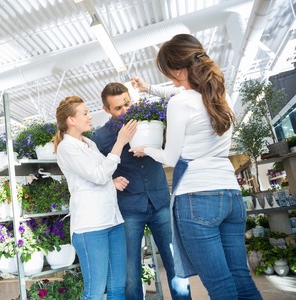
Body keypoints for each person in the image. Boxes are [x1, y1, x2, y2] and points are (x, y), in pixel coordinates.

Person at [130, 33, 262, 299]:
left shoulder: (181, 102)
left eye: (167, 71)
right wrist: (149, 88)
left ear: (177, 69)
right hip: (230, 194)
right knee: (241, 280)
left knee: (221, 286)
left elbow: (169, 157)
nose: (167, 77)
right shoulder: (218, 94)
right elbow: (180, 92)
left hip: (197, 198)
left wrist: (146, 149)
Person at [91, 82, 191, 300]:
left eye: (127, 104)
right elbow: (93, 173)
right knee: (130, 272)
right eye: (118, 108)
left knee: (176, 264)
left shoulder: (152, 120)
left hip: (160, 203)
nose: (125, 110)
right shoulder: (100, 138)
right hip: (128, 210)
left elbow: (180, 98)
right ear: (106, 110)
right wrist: (111, 179)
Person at [53, 95, 136, 299]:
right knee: (95, 292)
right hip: (90, 228)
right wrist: (120, 142)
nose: (90, 116)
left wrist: (112, 182)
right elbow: (98, 175)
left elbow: (100, 173)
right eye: (85, 113)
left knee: (118, 287)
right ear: (71, 120)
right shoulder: (66, 147)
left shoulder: (88, 142)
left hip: (112, 221)